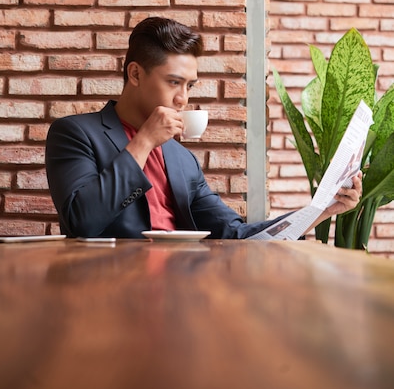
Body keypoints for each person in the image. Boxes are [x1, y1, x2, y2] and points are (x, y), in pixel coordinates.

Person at [45, 16, 362, 239]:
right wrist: (142, 143)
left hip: (183, 290)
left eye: (189, 85)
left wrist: (321, 210)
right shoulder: (75, 134)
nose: (182, 98)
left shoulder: (181, 160)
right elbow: (82, 222)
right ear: (136, 74)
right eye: (173, 82)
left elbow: (234, 233)